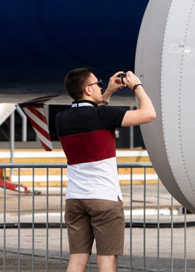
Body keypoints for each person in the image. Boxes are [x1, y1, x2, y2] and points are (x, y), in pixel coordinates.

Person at [55, 68, 156, 272]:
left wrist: (107, 93)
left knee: (76, 260)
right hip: (104, 198)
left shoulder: (61, 118)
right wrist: (137, 86)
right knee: (107, 261)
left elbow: (91, 114)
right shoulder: (102, 115)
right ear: (88, 90)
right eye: (98, 84)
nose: (101, 86)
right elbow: (149, 114)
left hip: (75, 199)